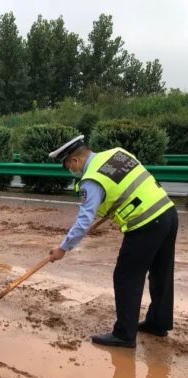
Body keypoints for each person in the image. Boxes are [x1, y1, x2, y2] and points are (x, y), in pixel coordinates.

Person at [48, 135, 178, 348]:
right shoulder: (116, 154)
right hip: (168, 212)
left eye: (68, 167)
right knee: (161, 271)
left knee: (126, 276)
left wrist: (63, 248)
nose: (71, 171)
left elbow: (83, 221)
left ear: (74, 161)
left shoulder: (91, 179)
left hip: (145, 223)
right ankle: (158, 323)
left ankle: (124, 335)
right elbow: (126, 185)